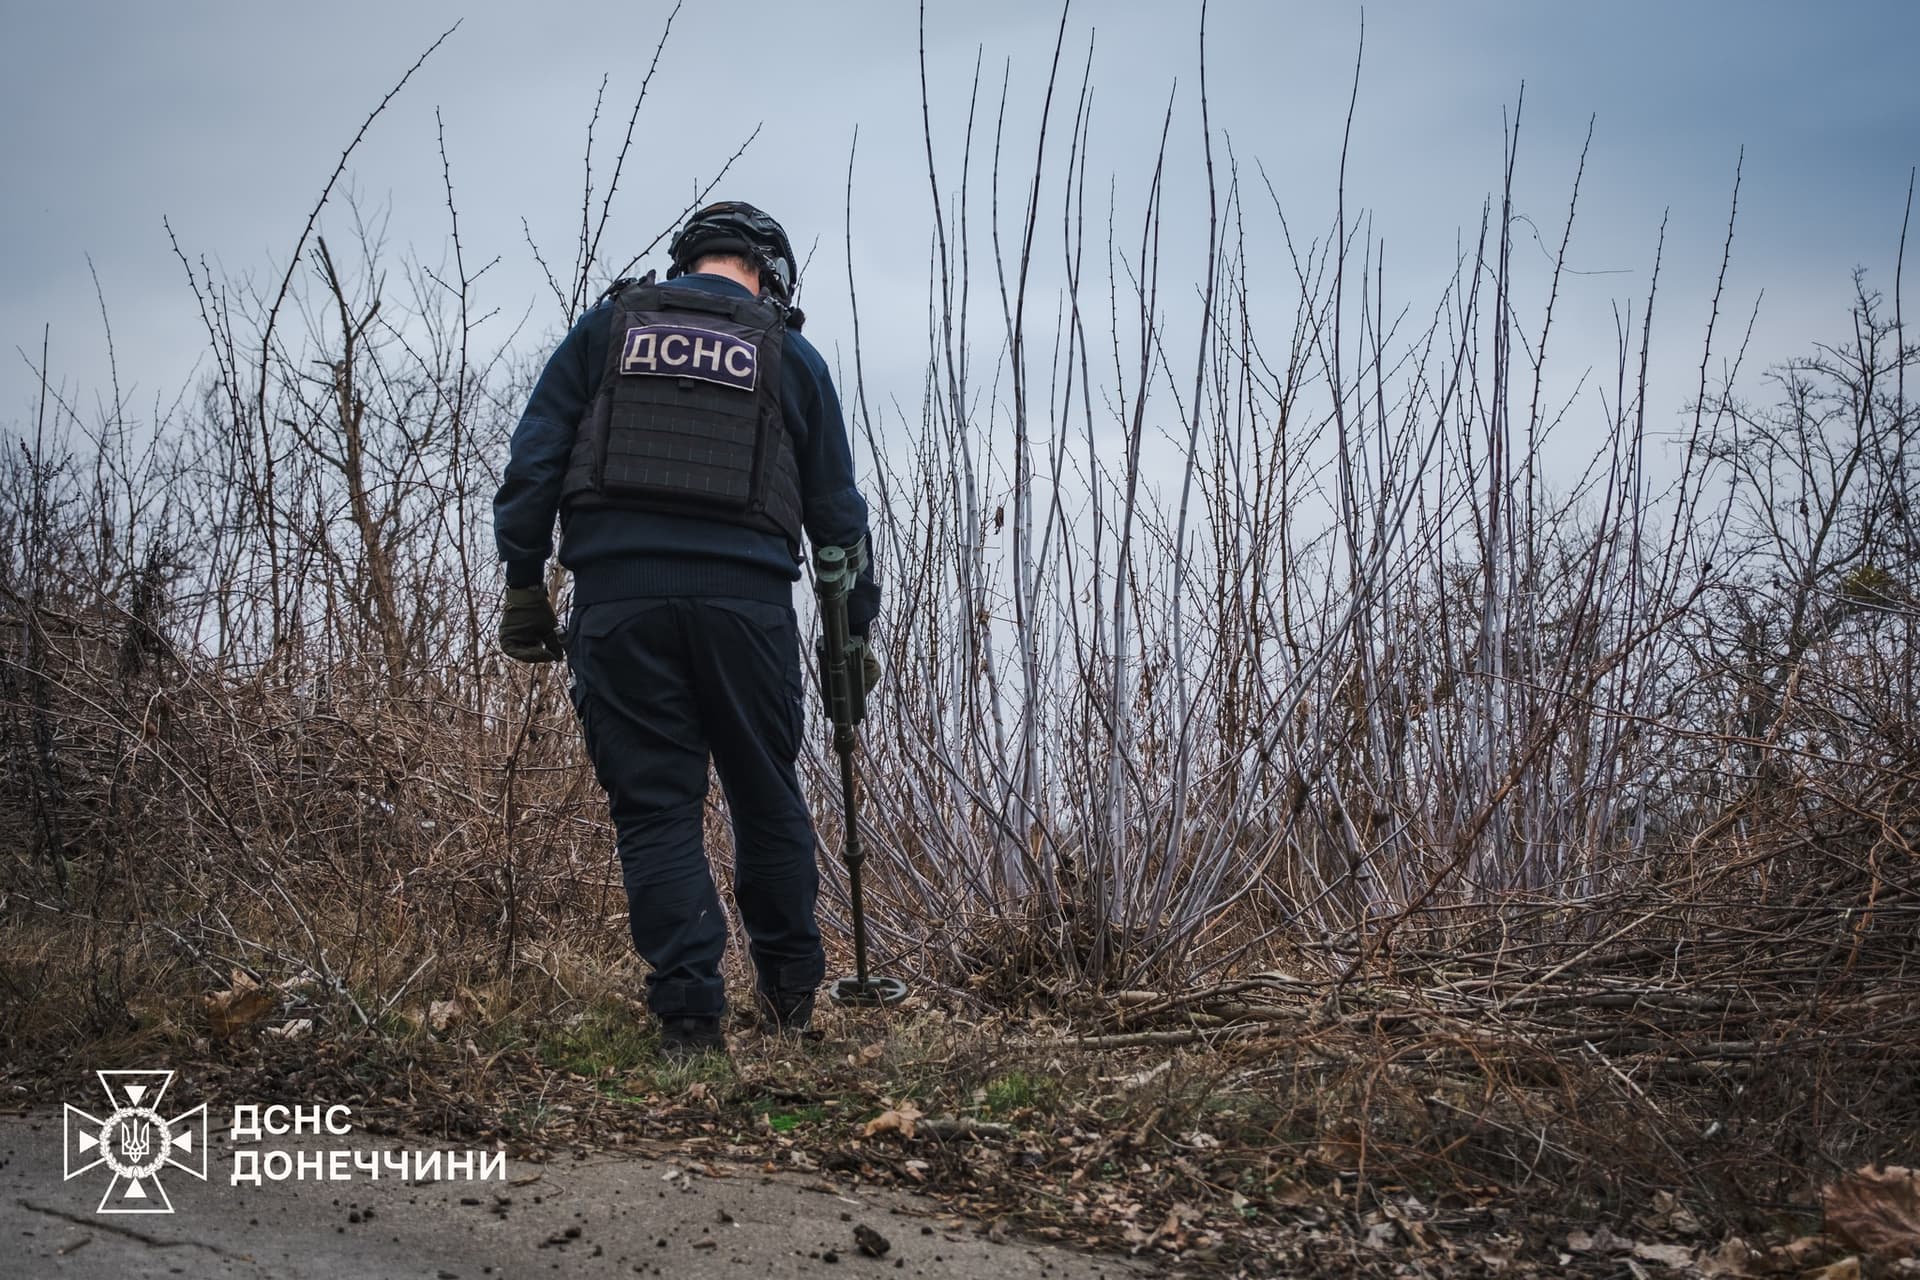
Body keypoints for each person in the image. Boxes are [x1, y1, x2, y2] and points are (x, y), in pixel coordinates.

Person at [491, 201, 880, 1059]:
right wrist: (852, 632)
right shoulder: (791, 355)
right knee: (765, 794)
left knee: (656, 810)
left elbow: (531, 467)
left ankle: (691, 1021)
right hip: (748, 608)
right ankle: (789, 1000)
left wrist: (524, 584)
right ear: (768, 274)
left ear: (686, 262)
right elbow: (839, 519)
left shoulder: (604, 332)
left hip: (618, 601)